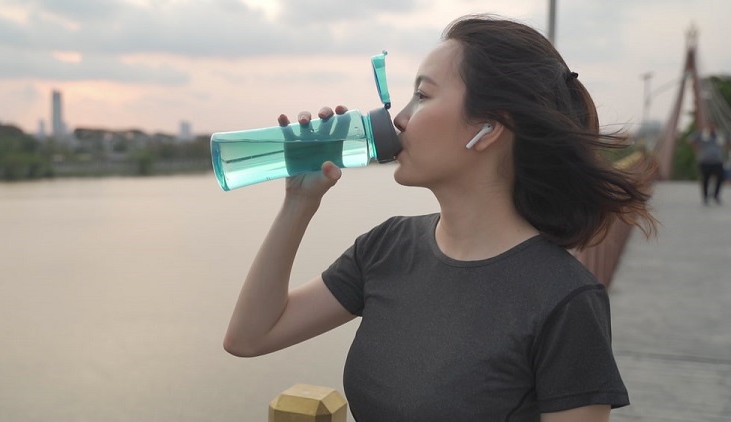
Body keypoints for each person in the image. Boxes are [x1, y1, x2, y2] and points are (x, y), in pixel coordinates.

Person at [223, 14, 656, 421]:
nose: (399, 118)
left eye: (423, 96)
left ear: (487, 129)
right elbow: (250, 336)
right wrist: (299, 203)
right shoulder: (387, 247)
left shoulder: (565, 299)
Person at [690, 124, 726, 205]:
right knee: (705, 179)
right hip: (705, 162)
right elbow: (691, 140)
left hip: (717, 161)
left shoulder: (719, 135)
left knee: (721, 178)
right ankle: (705, 197)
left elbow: (727, 141)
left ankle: (716, 195)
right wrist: (696, 149)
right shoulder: (703, 135)